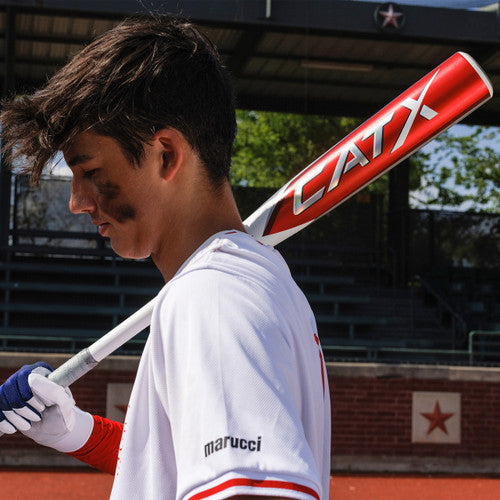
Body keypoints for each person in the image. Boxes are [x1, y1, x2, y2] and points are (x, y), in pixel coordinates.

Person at [0, 15, 331, 499]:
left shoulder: (210, 297)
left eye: (89, 170)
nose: (76, 200)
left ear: (165, 156)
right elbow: (179, 466)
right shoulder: (249, 280)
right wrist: (79, 433)